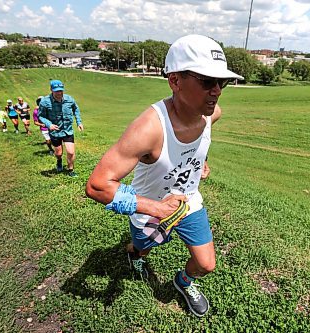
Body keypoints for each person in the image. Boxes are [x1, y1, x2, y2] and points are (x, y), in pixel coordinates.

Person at [85, 34, 243, 317]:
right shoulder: (149, 128)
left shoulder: (211, 112)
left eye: (223, 82)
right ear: (175, 81)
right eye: (207, 81)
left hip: (188, 202)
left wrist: (200, 159)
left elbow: (205, 133)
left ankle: (183, 281)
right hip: (149, 208)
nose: (217, 91)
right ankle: (134, 253)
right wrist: (156, 207)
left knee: (206, 264)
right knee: (142, 249)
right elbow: (97, 186)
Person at [38, 79, 84, 177]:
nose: (59, 93)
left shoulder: (69, 99)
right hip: (55, 131)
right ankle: (59, 161)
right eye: (56, 91)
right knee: (58, 153)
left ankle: (70, 170)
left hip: (67, 130)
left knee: (71, 152)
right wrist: (49, 124)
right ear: (51, 89)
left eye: (61, 90)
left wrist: (79, 122)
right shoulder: (45, 102)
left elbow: (76, 109)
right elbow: (40, 116)